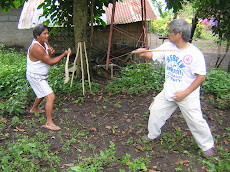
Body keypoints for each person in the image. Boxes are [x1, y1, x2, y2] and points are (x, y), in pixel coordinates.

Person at [134, 19, 214, 158]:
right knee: (155, 110)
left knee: (195, 121)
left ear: (179, 34)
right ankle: (153, 135)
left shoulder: (195, 54)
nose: (168, 34)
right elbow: (152, 55)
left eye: (171, 32)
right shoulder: (168, 46)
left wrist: (185, 93)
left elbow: (201, 77)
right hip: (169, 91)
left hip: (187, 94)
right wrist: (142, 52)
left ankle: (207, 146)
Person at [26, 24, 72, 131]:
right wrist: (64, 54)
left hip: (40, 75)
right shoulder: (36, 47)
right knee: (50, 96)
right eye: (44, 34)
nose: (47, 36)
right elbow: (50, 62)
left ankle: (34, 109)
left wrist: (52, 51)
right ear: (37, 36)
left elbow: (49, 53)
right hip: (35, 76)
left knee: (41, 93)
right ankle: (49, 123)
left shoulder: (44, 43)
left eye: (47, 33)